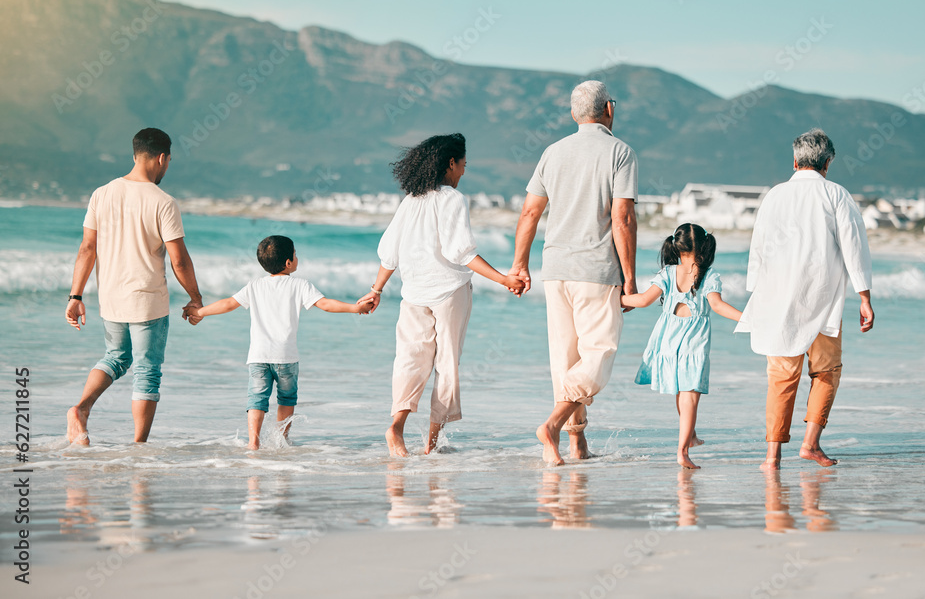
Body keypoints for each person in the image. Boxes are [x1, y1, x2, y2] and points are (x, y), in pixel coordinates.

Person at [362, 133, 526, 456]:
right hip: (450, 291)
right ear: (451, 163)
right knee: (446, 364)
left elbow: (388, 253)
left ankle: (396, 427)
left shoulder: (411, 200)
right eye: (463, 165)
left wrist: (376, 290)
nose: (463, 172)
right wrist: (504, 278)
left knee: (410, 360)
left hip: (413, 295)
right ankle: (430, 444)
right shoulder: (452, 198)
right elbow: (462, 252)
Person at [511, 80, 638, 466]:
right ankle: (551, 426)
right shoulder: (620, 152)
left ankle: (576, 443)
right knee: (598, 353)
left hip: (556, 270)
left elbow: (530, 212)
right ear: (609, 110)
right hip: (596, 269)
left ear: (573, 114)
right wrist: (630, 278)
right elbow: (623, 217)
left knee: (566, 358)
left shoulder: (553, 152)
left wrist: (520, 264)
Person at [736, 128, 875, 470]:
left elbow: (759, 247)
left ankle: (771, 457)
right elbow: (854, 248)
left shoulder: (774, 196)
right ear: (827, 162)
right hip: (822, 299)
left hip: (776, 297)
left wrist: (756, 290)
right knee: (826, 370)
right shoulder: (836, 195)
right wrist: (864, 296)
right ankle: (810, 444)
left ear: (795, 161)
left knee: (781, 377)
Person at [65, 128, 203, 445]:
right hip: (147, 301)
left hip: (110, 298)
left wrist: (76, 295)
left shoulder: (102, 193)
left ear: (134, 155)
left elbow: (87, 248)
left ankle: (81, 409)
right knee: (147, 370)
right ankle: (138, 447)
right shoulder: (164, 202)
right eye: (167, 162)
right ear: (162, 158)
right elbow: (179, 260)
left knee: (115, 357)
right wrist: (195, 298)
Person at [193, 236, 374, 450]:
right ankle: (282, 440)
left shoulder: (254, 286)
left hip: (258, 356)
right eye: (295, 255)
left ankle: (253, 442)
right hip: (286, 357)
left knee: (256, 399)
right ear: (288, 263)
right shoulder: (299, 285)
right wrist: (355, 308)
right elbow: (325, 304)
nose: (297, 258)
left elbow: (228, 304)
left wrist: (200, 312)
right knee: (286, 399)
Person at [621, 224, 743, 469]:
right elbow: (718, 306)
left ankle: (692, 434)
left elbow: (643, 300)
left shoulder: (667, 273)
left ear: (677, 246)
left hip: (667, 340)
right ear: (703, 246)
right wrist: (748, 318)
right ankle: (682, 451)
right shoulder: (709, 275)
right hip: (693, 344)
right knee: (690, 396)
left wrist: (613, 299)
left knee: (681, 392)